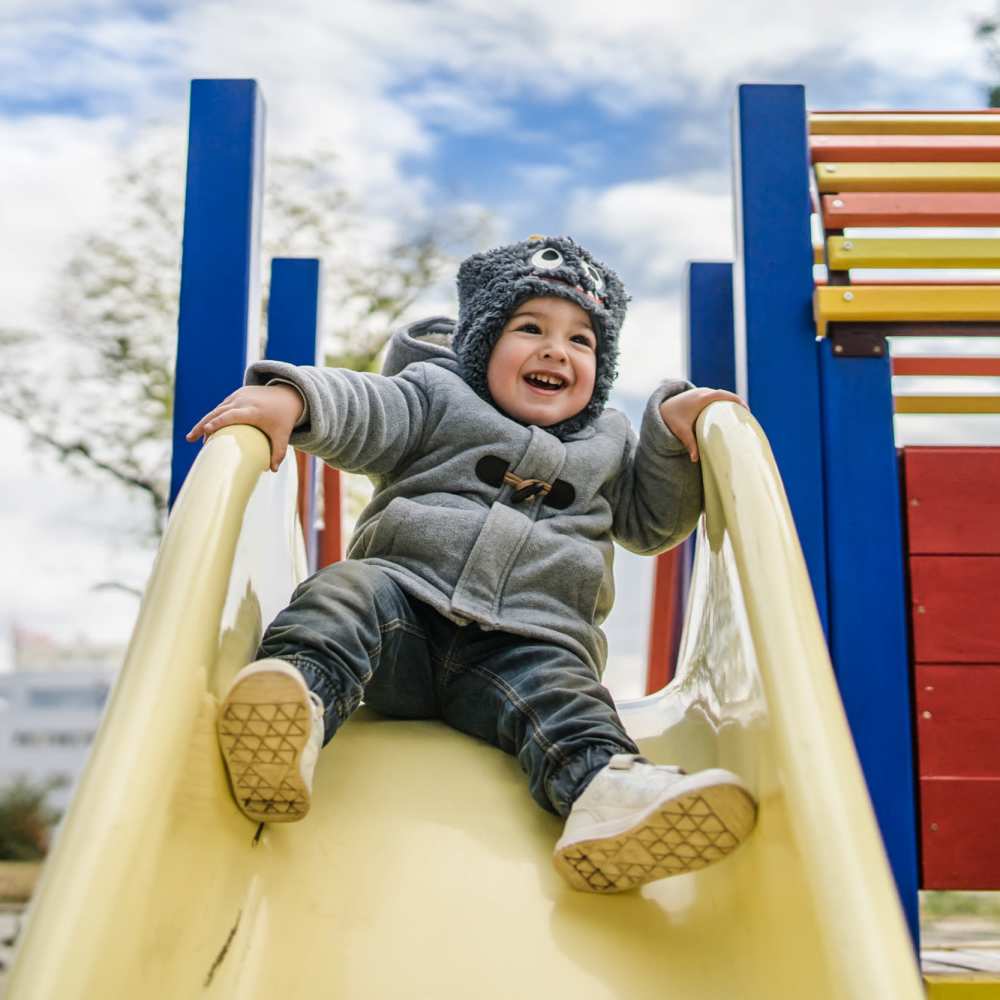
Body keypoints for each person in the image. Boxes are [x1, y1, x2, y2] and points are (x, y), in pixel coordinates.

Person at [187, 235, 757, 894]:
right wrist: (294, 400)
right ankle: (299, 708)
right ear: (483, 343)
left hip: (526, 651)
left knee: (570, 703)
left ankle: (604, 796)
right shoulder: (435, 396)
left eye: (582, 341)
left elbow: (653, 525)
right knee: (344, 590)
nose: (556, 350)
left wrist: (668, 430)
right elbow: (365, 408)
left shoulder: (610, 443)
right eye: (530, 328)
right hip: (399, 619)